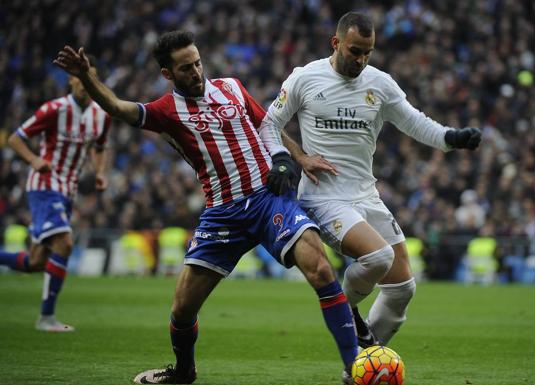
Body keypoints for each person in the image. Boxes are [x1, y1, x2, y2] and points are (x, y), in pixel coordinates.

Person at [53, 30, 358, 385]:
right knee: (182, 309)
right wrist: (88, 76)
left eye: (197, 63)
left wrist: (294, 158)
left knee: (320, 269)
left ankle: (353, 368)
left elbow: (266, 124)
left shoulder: (231, 87)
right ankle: (183, 372)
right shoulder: (166, 111)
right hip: (223, 212)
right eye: (185, 68)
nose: (196, 72)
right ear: (168, 74)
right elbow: (118, 108)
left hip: (268, 197)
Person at [260, 11, 481, 357]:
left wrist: (451, 138)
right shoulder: (305, 78)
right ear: (336, 43)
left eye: (368, 52)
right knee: (377, 257)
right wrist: (294, 158)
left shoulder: (379, 84)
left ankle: (362, 364)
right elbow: (268, 123)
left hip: (366, 194)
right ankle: (344, 310)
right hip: (323, 196)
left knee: (402, 288)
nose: (361, 60)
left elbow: (414, 122)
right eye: (354, 51)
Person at [0, 57, 110, 332]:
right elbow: (15, 138)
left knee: (36, 262)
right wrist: (34, 160)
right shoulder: (54, 109)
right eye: (80, 77)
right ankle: (46, 317)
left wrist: (99, 172)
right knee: (65, 244)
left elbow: (99, 146)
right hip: (45, 185)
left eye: (90, 79)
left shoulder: (101, 115)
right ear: (71, 80)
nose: (84, 84)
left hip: (68, 191)